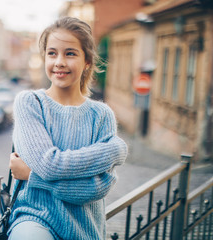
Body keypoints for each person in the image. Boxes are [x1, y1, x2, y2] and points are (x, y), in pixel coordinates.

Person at [8, 17, 128, 240]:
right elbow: (49, 165)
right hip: (35, 219)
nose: (59, 62)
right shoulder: (30, 103)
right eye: (52, 53)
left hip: (86, 229)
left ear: (87, 62)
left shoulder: (101, 115)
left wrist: (32, 177)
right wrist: (113, 151)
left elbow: (97, 188)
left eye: (70, 53)